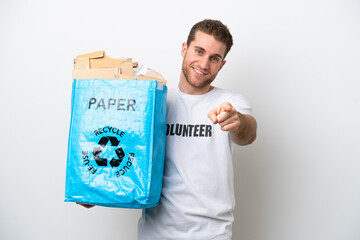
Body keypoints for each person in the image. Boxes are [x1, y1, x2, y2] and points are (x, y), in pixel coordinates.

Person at [137, 19, 257, 240]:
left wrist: (236, 119)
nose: (204, 64)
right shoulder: (157, 102)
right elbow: (129, 152)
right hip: (155, 233)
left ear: (222, 64)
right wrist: (95, 191)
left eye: (214, 58)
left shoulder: (230, 101)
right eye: (199, 51)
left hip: (211, 234)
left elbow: (248, 134)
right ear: (184, 49)